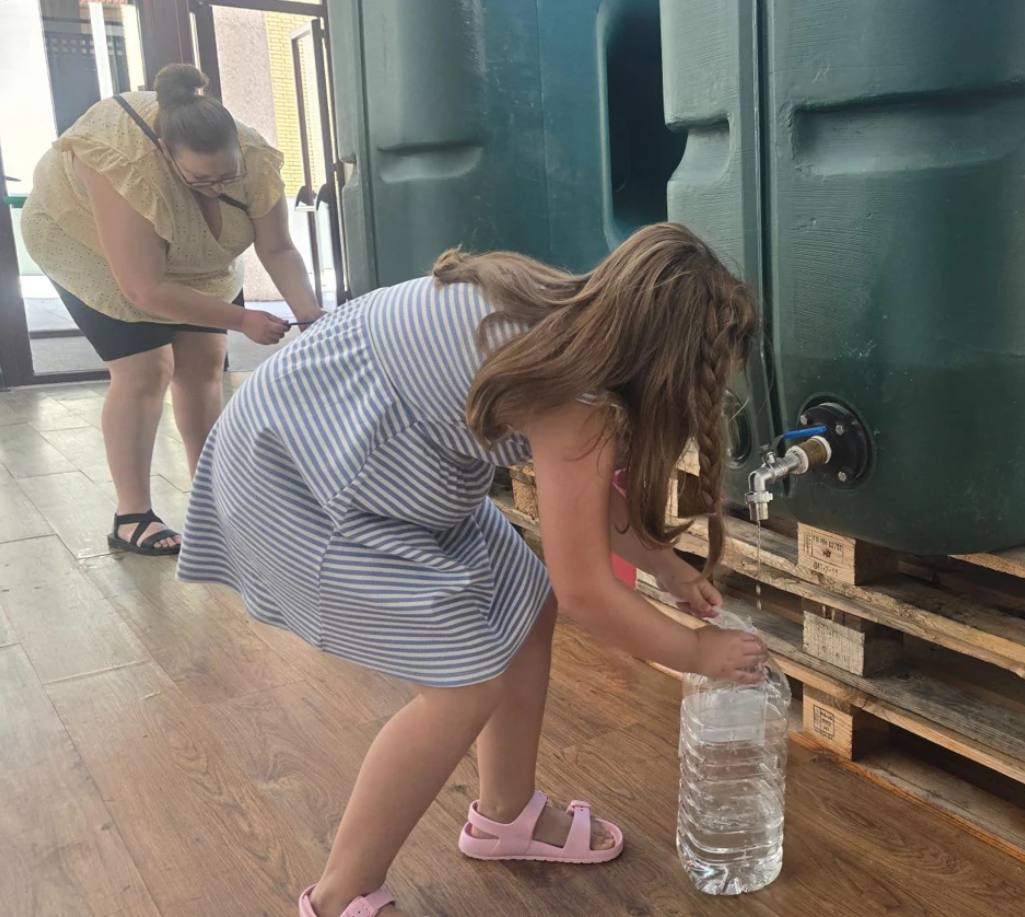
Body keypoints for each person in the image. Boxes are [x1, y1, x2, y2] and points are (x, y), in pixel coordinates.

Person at [176, 222, 768, 917]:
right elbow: (587, 591)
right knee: (464, 683)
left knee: (524, 601)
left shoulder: (555, 317)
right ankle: (339, 895)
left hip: (379, 469)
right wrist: (698, 651)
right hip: (305, 487)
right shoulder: (574, 403)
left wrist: (664, 566)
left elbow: (582, 507)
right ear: (658, 371)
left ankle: (504, 816)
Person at [21, 64, 320, 556]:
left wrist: (309, 317)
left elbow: (279, 248)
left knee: (202, 365)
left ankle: (214, 497)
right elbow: (142, 287)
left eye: (228, 175)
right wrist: (245, 320)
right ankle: (131, 515)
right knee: (144, 369)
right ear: (165, 154)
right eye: (202, 178)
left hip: (197, 258)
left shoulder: (255, 157)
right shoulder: (122, 159)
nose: (217, 185)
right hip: (88, 246)